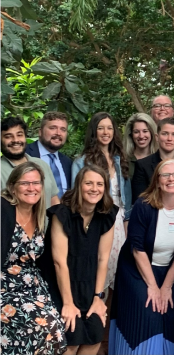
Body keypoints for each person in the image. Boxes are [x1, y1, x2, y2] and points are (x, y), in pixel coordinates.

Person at [109, 159, 174, 354]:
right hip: (136, 268)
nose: (171, 179)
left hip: (172, 270)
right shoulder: (143, 205)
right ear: (157, 181)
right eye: (165, 175)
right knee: (148, 310)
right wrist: (152, 286)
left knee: (172, 307)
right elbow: (137, 248)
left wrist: (166, 287)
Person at [38, 165, 118, 355]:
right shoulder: (62, 214)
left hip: (91, 285)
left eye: (99, 184)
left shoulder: (107, 214)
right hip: (61, 285)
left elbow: (102, 258)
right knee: (70, 339)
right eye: (88, 183)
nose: (94, 188)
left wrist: (99, 298)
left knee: (95, 335)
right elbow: (59, 262)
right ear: (78, 186)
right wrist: (68, 303)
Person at [0, 162, 67, 354]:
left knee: (56, 333)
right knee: (47, 327)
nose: (31, 188)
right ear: (12, 187)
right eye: (25, 183)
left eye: (36, 183)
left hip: (34, 286)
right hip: (5, 286)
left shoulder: (40, 215)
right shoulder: (3, 209)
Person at [72, 112, 131, 295]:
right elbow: (77, 199)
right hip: (96, 220)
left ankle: (109, 322)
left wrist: (127, 231)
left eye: (109, 128)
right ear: (93, 132)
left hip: (119, 222)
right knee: (98, 272)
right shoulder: (82, 161)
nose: (105, 132)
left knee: (118, 277)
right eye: (100, 128)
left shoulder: (119, 160)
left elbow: (126, 202)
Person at [0, 115, 60, 207]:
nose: (15, 140)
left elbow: (54, 200)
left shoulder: (42, 165)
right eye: (8, 136)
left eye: (19, 135)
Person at [132, 119, 174, 203]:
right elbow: (139, 198)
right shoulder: (142, 165)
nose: (169, 138)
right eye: (165, 134)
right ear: (157, 137)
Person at [26, 111, 72, 197]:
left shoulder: (68, 162)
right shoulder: (25, 155)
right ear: (40, 132)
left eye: (63, 129)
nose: (58, 133)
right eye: (53, 128)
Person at [123, 113, 159, 179]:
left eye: (145, 131)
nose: (141, 136)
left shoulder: (160, 159)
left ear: (152, 133)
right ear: (131, 134)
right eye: (136, 132)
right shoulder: (123, 160)